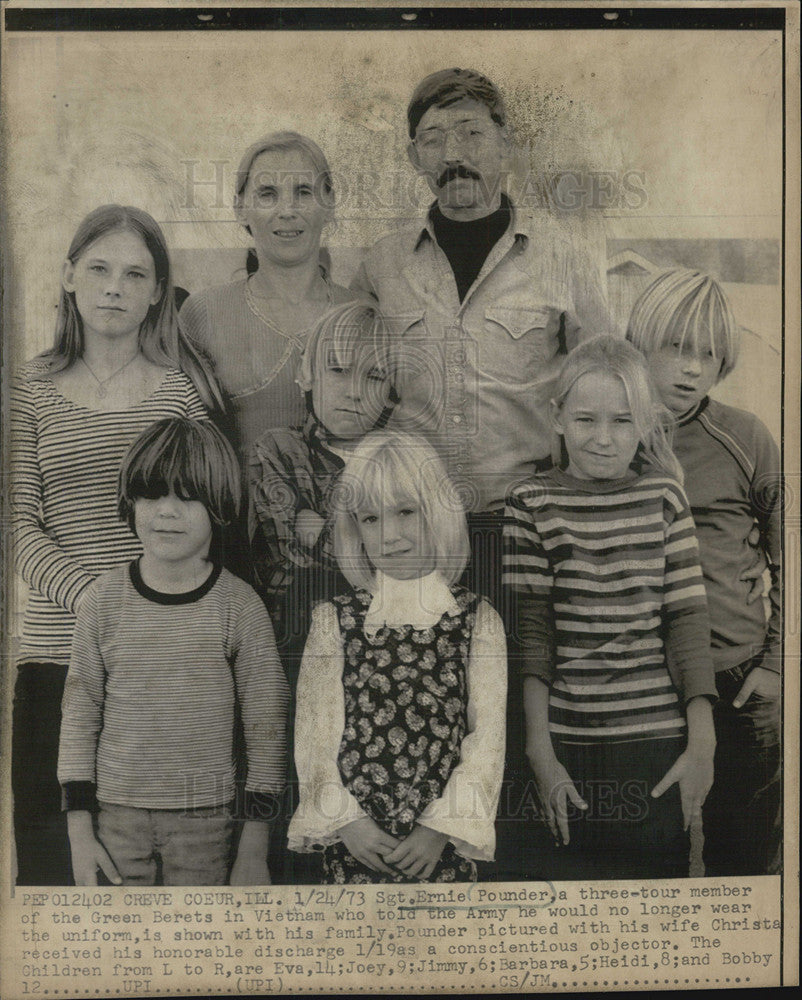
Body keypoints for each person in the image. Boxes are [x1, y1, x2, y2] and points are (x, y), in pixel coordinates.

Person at [10, 204, 220, 885]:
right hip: (53, 663)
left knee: (147, 885)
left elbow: (204, 525)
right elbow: (17, 526)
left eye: (135, 275)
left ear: (157, 292)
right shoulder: (26, 388)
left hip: (157, 669)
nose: (114, 288)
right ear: (69, 276)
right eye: (98, 269)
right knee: (50, 878)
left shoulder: (181, 397)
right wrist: (104, 601)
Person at [351, 68, 613, 517]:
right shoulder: (381, 266)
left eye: (471, 133)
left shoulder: (563, 261)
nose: (453, 155)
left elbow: (609, 388)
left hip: (530, 521)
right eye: (433, 139)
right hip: (413, 524)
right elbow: (352, 390)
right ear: (414, 157)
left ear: (505, 146)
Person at [502, 336, 717, 880]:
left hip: (656, 745)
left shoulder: (665, 498)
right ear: (557, 417)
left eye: (623, 422)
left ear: (646, 424)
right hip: (565, 740)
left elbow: (687, 623)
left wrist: (702, 745)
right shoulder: (530, 502)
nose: (602, 439)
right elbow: (533, 634)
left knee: (654, 894)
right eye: (586, 419)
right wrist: (539, 752)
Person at [57, 418, 289, 886]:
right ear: (131, 501)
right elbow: (79, 716)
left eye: (188, 497)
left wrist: (254, 845)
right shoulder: (102, 601)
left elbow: (267, 726)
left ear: (220, 506)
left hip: (207, 821)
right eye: (151, 494)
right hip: (114, 819)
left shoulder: (239, 606)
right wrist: (80, 833)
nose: (166, 512)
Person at [287, 431, 507, 884]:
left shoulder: (476, 620)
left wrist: (437, 829)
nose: (389, 536)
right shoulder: (334, 621)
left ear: (437, 513)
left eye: (405, 512)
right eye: (370, 519)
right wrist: (347, 822)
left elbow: (487, 740)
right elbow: (314, 739)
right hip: (358, 850)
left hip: (437, 851)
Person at [626, 269, 782, 876]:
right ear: (640, 339)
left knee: (742, 867)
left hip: (740, 682)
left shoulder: (744, 437)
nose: (691, 369)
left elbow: (789, 552)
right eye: (676, 347)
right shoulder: (608, 434)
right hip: (645, 689)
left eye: (709, 354)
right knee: (652, 864)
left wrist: (773, 665)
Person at [249, 301, 397, 884]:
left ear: (393, 393)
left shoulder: (402, 457)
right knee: (303, 779)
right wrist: (363, 531)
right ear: (305, 376)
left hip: (382, 654)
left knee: (373, 779)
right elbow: (293, 540)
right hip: (297, 644)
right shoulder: (278, 450)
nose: (354, 391)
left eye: (374, 376)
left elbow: (410, 554)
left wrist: (325, 526)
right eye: (337, 370)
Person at [179, 131, 356, 461]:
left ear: (329, 205)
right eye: (268, 194)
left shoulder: (360, 314)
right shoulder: (202, 314)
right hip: (233, 512)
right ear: (240, 209)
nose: (287, 210)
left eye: (303, 192)